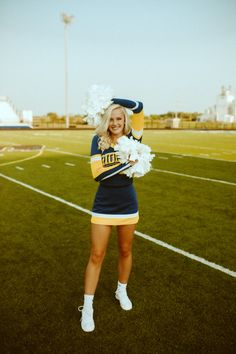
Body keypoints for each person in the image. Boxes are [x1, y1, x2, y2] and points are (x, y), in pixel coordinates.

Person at [78, 97, 144, 332]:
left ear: (124, 120)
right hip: (104, 206)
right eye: (111, 118)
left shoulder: (134, 138)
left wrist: (113, 100)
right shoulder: (99, 140)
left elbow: (140, 107)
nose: (115, 123)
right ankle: (87, 308)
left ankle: (121, 290)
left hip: (128, 205)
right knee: (96, 255)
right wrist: (127, 163)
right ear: (106, 121)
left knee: (126, 251)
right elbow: (98, 174)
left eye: (119, 118)